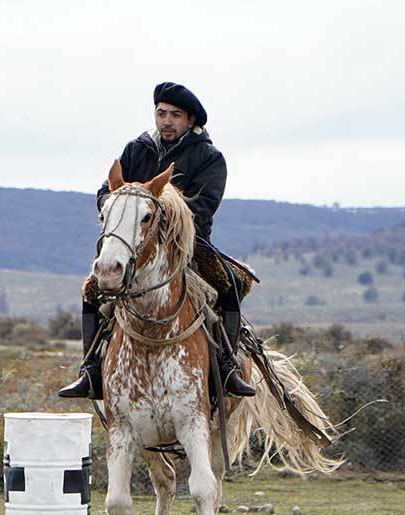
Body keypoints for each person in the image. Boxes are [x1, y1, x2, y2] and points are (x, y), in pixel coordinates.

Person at [58, 82, 256, 400]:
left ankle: (228, 367)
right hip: (135, 246)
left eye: (175, 115)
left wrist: (157, 216)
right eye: (161, 113)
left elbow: (202, 209)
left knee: (231, 284)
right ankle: (91, 371)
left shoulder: (209, 157)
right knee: (91, 289)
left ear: (190, 120)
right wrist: (118, 210)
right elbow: (105, 192)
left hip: (189, 247)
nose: (166, 121)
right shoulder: (136, 149)